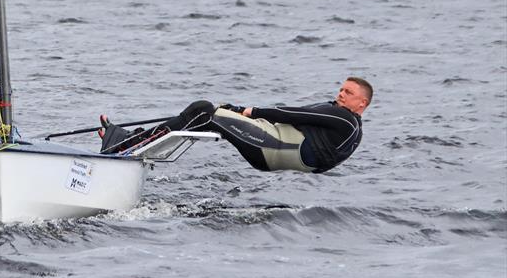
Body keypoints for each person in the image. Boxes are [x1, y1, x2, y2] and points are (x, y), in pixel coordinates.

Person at [98, 77, 372, 174]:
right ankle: (132, 142)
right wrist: (240, 114)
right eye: (341, 89)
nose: (341, 94)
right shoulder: (343, 120)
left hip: (276, 145)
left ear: (362, 104)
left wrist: (246, 110)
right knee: (207, 118)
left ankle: (122, 148)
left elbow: (294, 114)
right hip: (277, 148)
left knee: (203, 110)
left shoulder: (345, 120)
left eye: (348, 93)